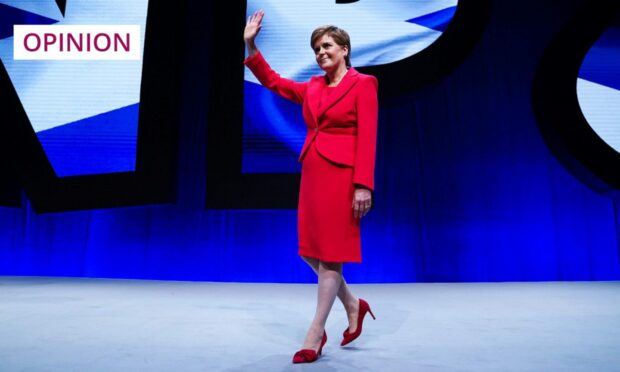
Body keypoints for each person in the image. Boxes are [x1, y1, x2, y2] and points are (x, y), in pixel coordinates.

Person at [243, 10, 378, 364]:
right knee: (309, 250)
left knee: (331, 254)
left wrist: (363, 185)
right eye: (316, 48)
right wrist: (251, 45)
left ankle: (315, 333)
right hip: (314, 173)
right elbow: (273, 82)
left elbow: (368, 137)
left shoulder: (363, 85)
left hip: (344, 176)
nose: (320, 52)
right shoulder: (314, 87)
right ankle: (352, 304)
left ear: (345, 49)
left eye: (327, 46)